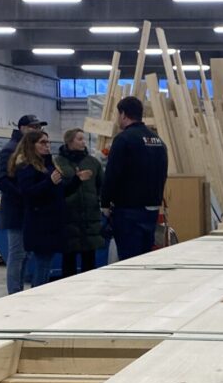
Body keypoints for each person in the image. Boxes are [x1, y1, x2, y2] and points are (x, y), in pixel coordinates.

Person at [102, 96, 169, 260]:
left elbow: (112, 174)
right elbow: (163, 173)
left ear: (123, 114)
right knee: (145, 259)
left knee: (129, 260)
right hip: (152, 209)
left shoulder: (123, 139)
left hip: (129, 211)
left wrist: (105, 203)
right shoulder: (158, 141)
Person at [0, 114, 48, 294]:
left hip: (30, 211)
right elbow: (0, 180)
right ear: (22, 128)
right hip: (16, 211)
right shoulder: (10, 150)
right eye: (34, 127)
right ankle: (14, 293)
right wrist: (23, 194)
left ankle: (20, 292)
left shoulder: (31, 150)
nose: (37, 130)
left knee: (26, 254)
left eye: (39, 127)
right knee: (17, 255)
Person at [8, 130, 67, 287]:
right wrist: (49, 182)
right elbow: (28, 193)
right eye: (42, 142)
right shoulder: (26, 167)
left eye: (48, 142)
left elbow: (60, 190)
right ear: (31, 145)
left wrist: (77, 181)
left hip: (52, 221)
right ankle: (37, 292)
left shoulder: (48, 164)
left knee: (46, 262)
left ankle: (40, 290)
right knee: (42, 263)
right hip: (39, 222)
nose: (47, 146)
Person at [56, 128, 104, 277]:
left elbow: (101, 186)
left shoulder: (93, 163)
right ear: (69, 142)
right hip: (68, 217)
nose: (84, 142)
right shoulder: (58, 162)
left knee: (89, 260)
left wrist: (100, 203)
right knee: (68, 260)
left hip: (89, 217)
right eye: (79, 139)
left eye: (84, 139)